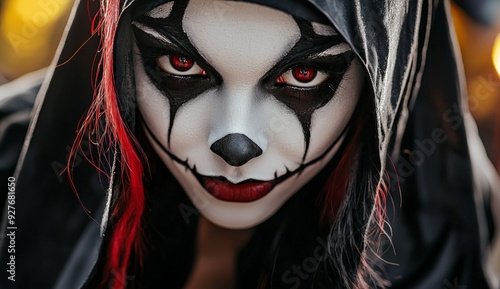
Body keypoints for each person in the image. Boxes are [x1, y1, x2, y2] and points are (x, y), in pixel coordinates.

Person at [0, 0, 498, 288]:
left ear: (381, 79)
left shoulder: (453, 234)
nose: (234, 145)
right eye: (181, 66)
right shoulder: (9, 168)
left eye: (304, 75)